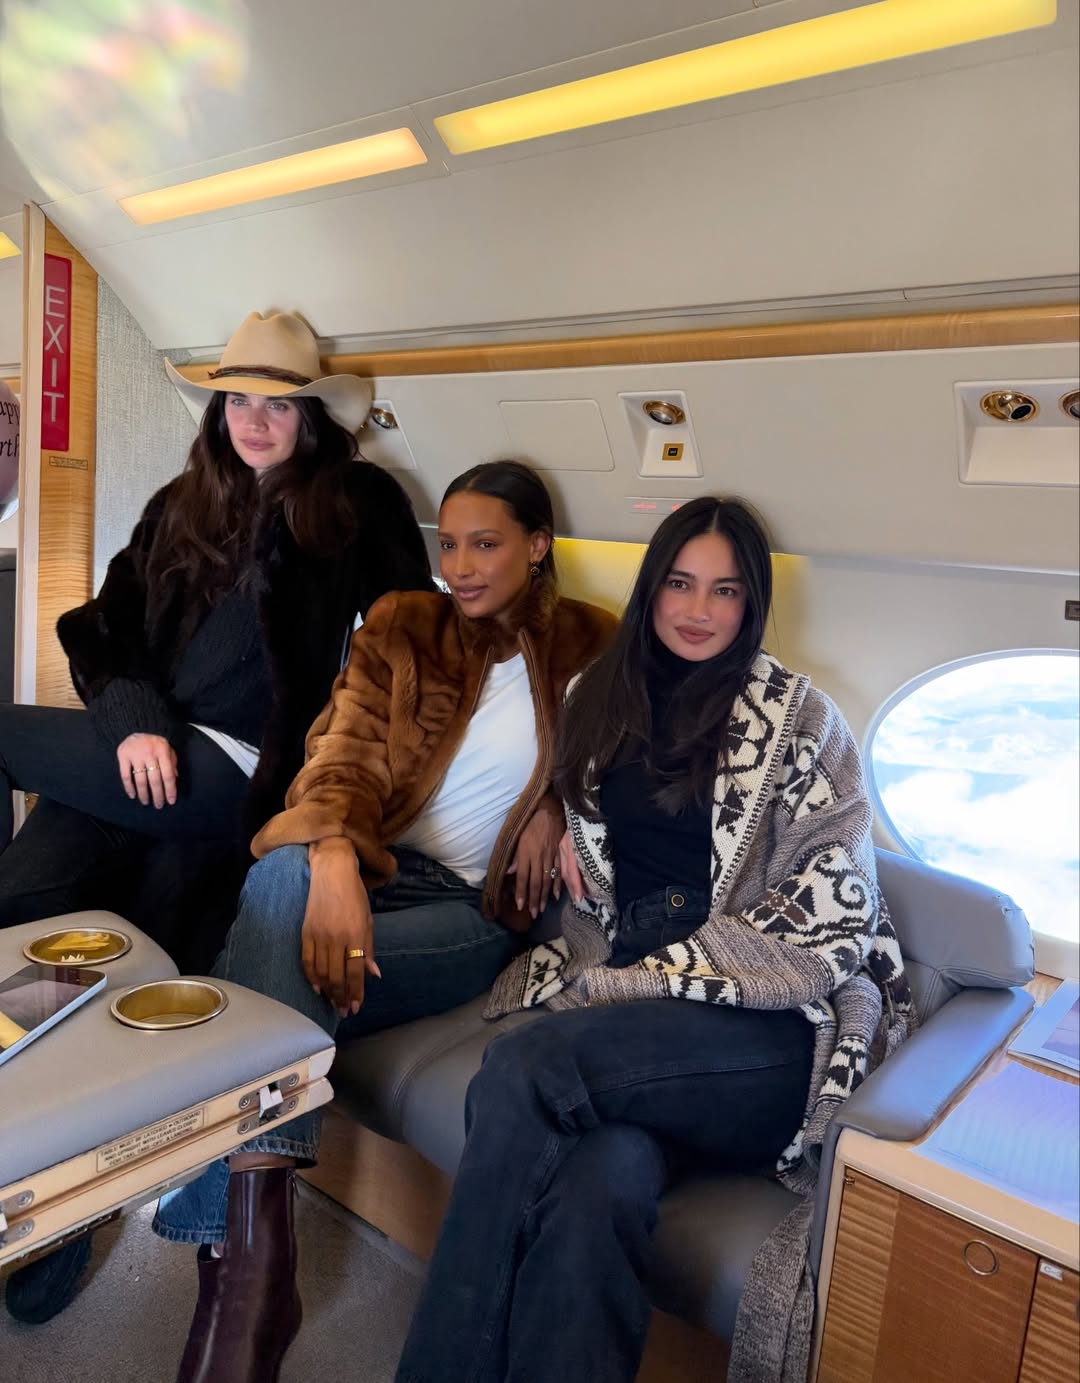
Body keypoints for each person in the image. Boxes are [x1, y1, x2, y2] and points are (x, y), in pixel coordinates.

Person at [393, 496, 916, 1383]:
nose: (698, 609)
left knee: (523, 1066)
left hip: (766, 1028)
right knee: (601, 1179)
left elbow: (836, 907)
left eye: (725, 590)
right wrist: (553, 814)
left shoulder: (804, 720)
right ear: (652, 589)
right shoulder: (598, 699)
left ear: (752, 603)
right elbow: (583, 818)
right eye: (680, 583)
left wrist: (657, 977)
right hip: (643, 1029)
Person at [0, 310, 434, 1324]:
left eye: (276, 404)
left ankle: (75, 1211)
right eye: (238, 400)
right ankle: (45, 1210)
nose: (253, 420)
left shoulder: (355, 505)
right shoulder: (182, 502)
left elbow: (402, 662)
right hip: (141, 761)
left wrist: (330, 802)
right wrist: (135, 721)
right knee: (28, 917)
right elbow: (101, 628)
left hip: (241, 777)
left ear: (311, 416)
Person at [154, 459, 616, 1383]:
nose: (461, 566)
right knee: (287, 872)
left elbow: (619, 758)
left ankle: (237, 1258)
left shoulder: (590, 644)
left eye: (486, 544)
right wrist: (334, 858)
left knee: (265, 949)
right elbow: (337, 755)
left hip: (465, 914)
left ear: (537, 546)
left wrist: (557, 804)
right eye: (451, 544)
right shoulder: (404, 623)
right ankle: (256, 1260)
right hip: (372, 871)